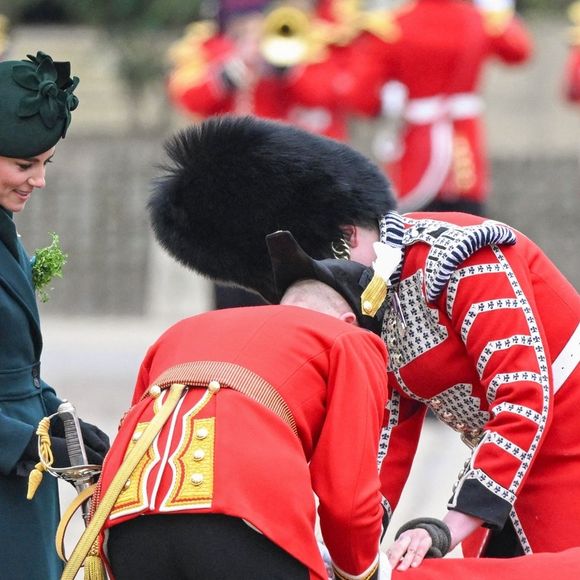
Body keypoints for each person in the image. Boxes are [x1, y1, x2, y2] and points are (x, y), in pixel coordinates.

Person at [147, 115, 580, 566]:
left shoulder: (463, 256)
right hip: (507, 470)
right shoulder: (373, 308)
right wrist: (345, 553)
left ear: (346, 237)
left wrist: (448, 526)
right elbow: (385, 446)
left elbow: (523, 399)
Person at [63, 230, 389, 580]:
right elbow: (348, 496)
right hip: (243, 524)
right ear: (351, 321)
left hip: (129, 525)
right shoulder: (350, 340)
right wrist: (357, 571)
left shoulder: (179, 331)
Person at [166, 0, 395, 310]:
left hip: (299, 188)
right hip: (235, 186)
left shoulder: (316, 42)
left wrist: (288, 68)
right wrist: (235, 68)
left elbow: (337, 95)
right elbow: (189, 94)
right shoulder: (214, 48)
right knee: (236, 287)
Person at [0, 51, 110, 579]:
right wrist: (23, 439)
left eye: (46, 163)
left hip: (24, 476)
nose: (38, 181)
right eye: (24, 165)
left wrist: (62, 420)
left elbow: (17, 367)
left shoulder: (7, 234)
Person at [344, 0, 532, 216]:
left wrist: (387, 105)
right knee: (471, 231)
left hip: (418, 143)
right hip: (464, 145)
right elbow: (519, 52)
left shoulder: (392, 26)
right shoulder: (480, 19)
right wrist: (500, 12)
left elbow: (359, 96)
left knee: (413, 229)